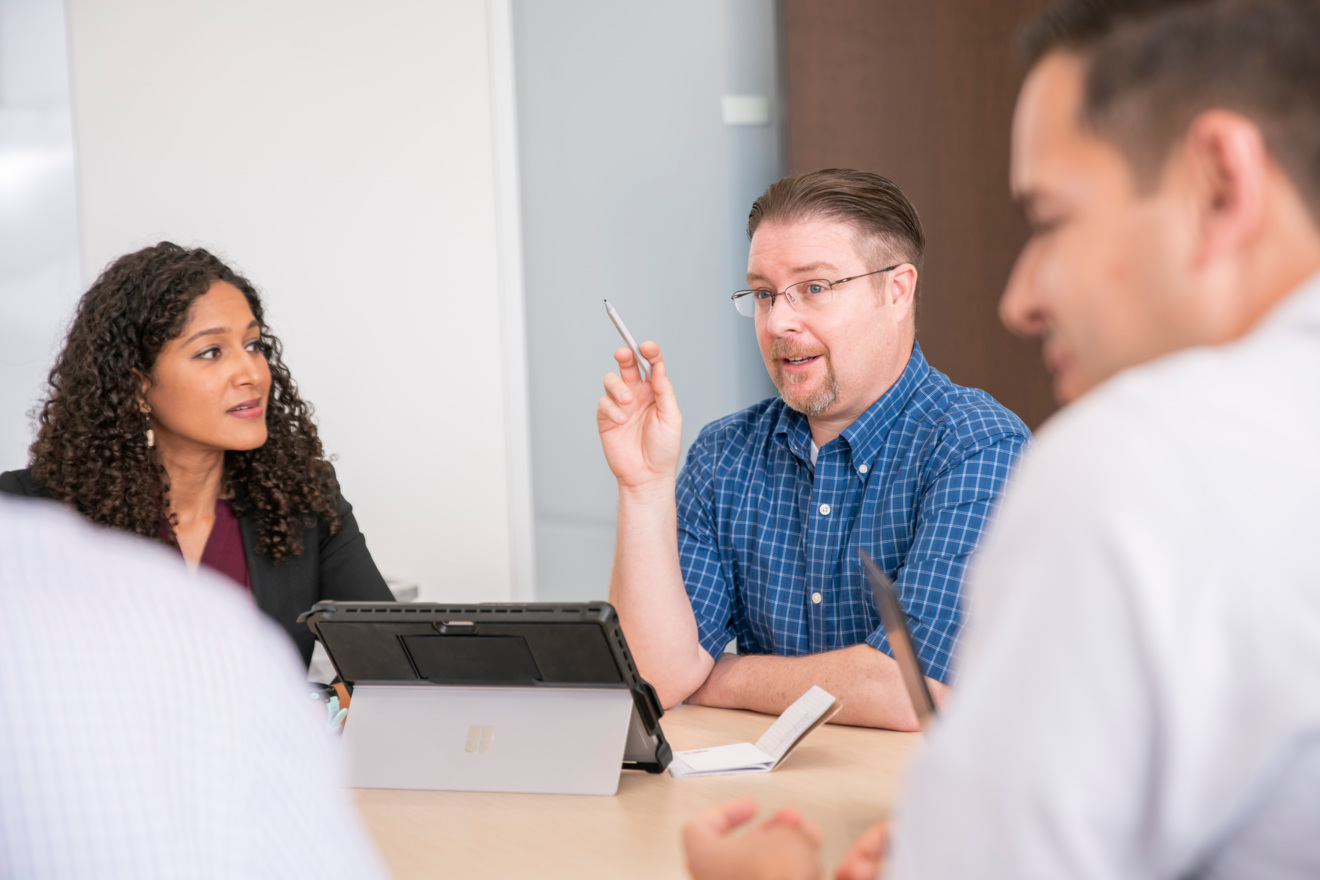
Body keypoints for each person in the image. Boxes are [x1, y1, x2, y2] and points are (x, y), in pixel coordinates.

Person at [683, 0, 1320, 877]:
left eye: (1052, 221)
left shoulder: (1133, 462)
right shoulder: (727, 448)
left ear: (1221, 181)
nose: (1021, 298)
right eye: (762, 293)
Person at [598, 170, 1030, 730]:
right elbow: (652, 677)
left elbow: (910, 690)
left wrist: (719, 675)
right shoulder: (724, 453)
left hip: (904, 806)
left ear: (897, 290)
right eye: (763, 294)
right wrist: (643, 486)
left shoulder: (977, 444)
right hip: (760, 802)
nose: (778, 321)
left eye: (815, 288)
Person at [0, 242, 393, 667]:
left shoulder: (303, 498)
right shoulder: (25, 513)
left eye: (254, 345)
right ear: (138, 387)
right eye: (211, 352)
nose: (252, 373)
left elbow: (395, 665)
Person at [0, 494, 387, 879]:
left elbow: (387, 658)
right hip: (97, 811)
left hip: (258, 809)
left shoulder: (301, 494)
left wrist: (323, 712)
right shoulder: (31, 499)